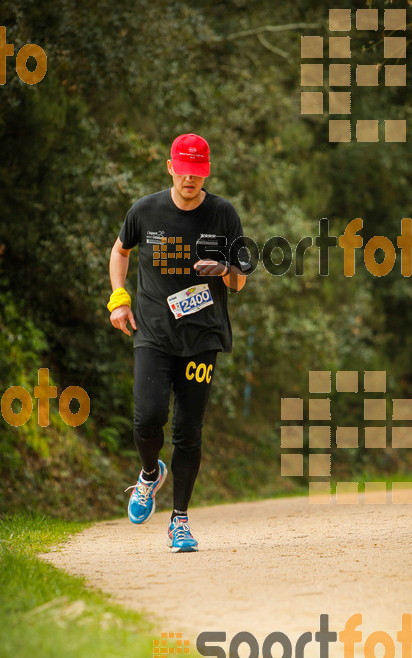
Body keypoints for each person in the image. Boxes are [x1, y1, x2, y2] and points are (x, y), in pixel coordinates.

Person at [108, 133, 251, 550]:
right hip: (153, 332)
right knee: (147, 418)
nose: (190, 179)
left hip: (202, 336)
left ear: (207, 172)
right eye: (184, 170)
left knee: (189, 430)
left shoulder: (223, 214)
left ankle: (180, 519)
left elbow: (240, 282)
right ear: (171, 167)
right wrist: (119, 300)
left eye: (198, 172)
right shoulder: (145, 210)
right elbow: (120, 251)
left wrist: (224, 268)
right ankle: (150, 474)